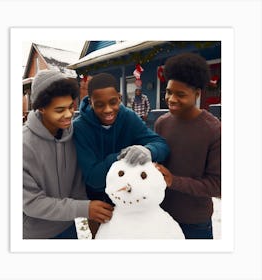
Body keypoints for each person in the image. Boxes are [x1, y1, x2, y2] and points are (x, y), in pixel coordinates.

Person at [73, 72, 169, 236]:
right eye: (100, 104)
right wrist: (121, 157)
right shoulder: (80, 128)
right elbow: (93, 178)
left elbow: (161, 145)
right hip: (100, 204)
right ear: (90, 102)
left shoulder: (128, 117)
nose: (108, 110)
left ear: (120, 98)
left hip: (131, 201)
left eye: (113, 102)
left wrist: (147, 150)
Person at [23, 69, 113, 239]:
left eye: (71, 107)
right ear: (41, 108)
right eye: (59, 110)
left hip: (68, 227)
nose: (68, 114)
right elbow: (32, 203)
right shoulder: (22, 146)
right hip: (35, 234)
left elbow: (78, 182)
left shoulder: (72, 135)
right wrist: (84, 208)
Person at [154, 53, 221, 239]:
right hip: (162, 215)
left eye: (180, 94)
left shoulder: (214, 131)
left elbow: (217, 185)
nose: (171, 99)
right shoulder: (161, 123)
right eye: (168, 92)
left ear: (197, 94)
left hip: (195, 222)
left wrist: (173, 181)